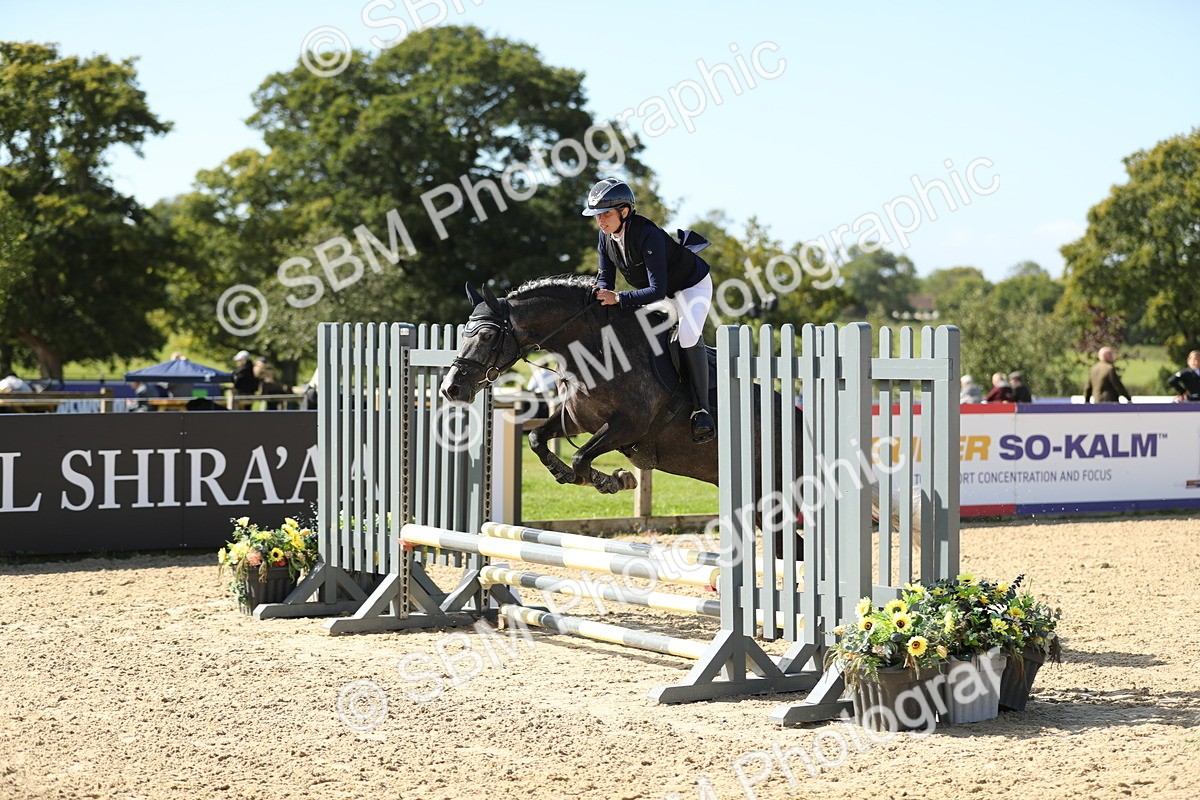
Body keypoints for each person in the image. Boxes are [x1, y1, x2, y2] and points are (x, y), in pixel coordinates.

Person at [583, 178, 715, 443]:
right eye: (597, 215)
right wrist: (596, 299)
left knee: (687, 335)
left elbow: (655, 290)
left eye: (606, 213)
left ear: (624, 211)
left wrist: (618, 298)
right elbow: (605, 280)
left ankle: (702, 410)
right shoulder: (605, 238)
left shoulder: (647, 234)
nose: (601, 220)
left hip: (691, 287)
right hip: (663, 292)